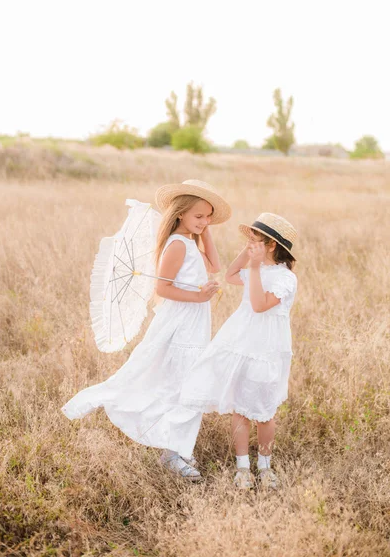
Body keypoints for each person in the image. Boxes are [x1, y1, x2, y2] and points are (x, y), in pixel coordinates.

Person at [61, 180, 231, 481]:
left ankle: (176, 446)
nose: (204, 222)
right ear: (180, 214)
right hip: (181, 319)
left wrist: (206, 229)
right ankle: (172, 452)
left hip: (194, 320)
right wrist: (199, 296)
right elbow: (162, 288)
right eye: (198, 217)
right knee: (183, 380)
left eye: (208, 217)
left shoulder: (191, 240)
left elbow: (214, 265)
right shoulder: (177, 244)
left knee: (186, 380)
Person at [180, 213, 297, 489]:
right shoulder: (254, 267)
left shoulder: (285, 278)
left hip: (266, 348)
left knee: (265, 410)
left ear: (271, 246)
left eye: (254, 240)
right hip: (241, 342)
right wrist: (248, 257)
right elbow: (231, 275)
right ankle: (242, 466)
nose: (249, 243)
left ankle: (265, 466)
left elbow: (258, 305)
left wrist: (255, 268)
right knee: (239, 407)